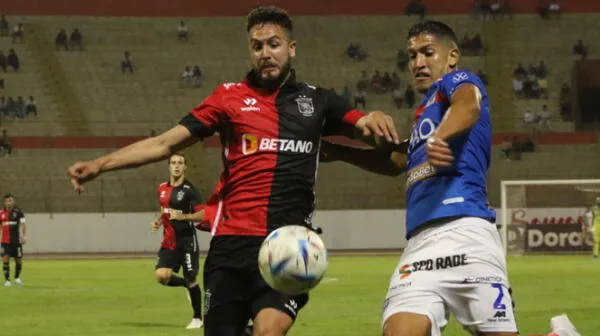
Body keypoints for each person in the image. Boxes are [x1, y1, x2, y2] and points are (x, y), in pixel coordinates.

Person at [67, 5, 399, 336]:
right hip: (231, 246)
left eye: (274, 44)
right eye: (257, 46)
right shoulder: (228, 99)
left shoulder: (318, 101)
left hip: (287, 245)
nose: (265, 53)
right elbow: (165, 143)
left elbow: (366, 128)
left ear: (291, 48)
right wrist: (100, 164)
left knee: (270, 330)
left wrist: (375, 117)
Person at [319, 20, 518, 336]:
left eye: (427, 52)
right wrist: (340, 152)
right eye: (412, 56)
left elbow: (470, 105)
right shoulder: (426, 111)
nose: (418, 63)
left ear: (451, 56)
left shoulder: (460, 81)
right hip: (419, 246)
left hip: (466, 232)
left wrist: (441, 137)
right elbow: (399, 160)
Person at [151, 153, 204, 329]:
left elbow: (203, 214)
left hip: (187, 240)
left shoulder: (190, 191)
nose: (176, 166)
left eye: (180, 163)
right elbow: (164, 208)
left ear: (185, 167)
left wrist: (184, 216)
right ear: (169, 166)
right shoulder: (161, 188)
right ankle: (185, 286)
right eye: (173, 162)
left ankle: (198, 318)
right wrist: (159, 221)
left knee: (191, 277)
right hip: (169, 241)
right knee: (161, 276)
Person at [1, 194, 27, 287]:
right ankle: (7, 280)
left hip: (16, 241)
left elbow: (23, 225)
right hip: (5, 241)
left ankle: (17, 278)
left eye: (11, 200)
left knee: (18, 259)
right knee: (5, 258)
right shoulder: (1, 213)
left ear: (13, 201)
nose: (9, 202)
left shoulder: (19, 212)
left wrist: (24, 236)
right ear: (5, 202)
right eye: (8, 200)